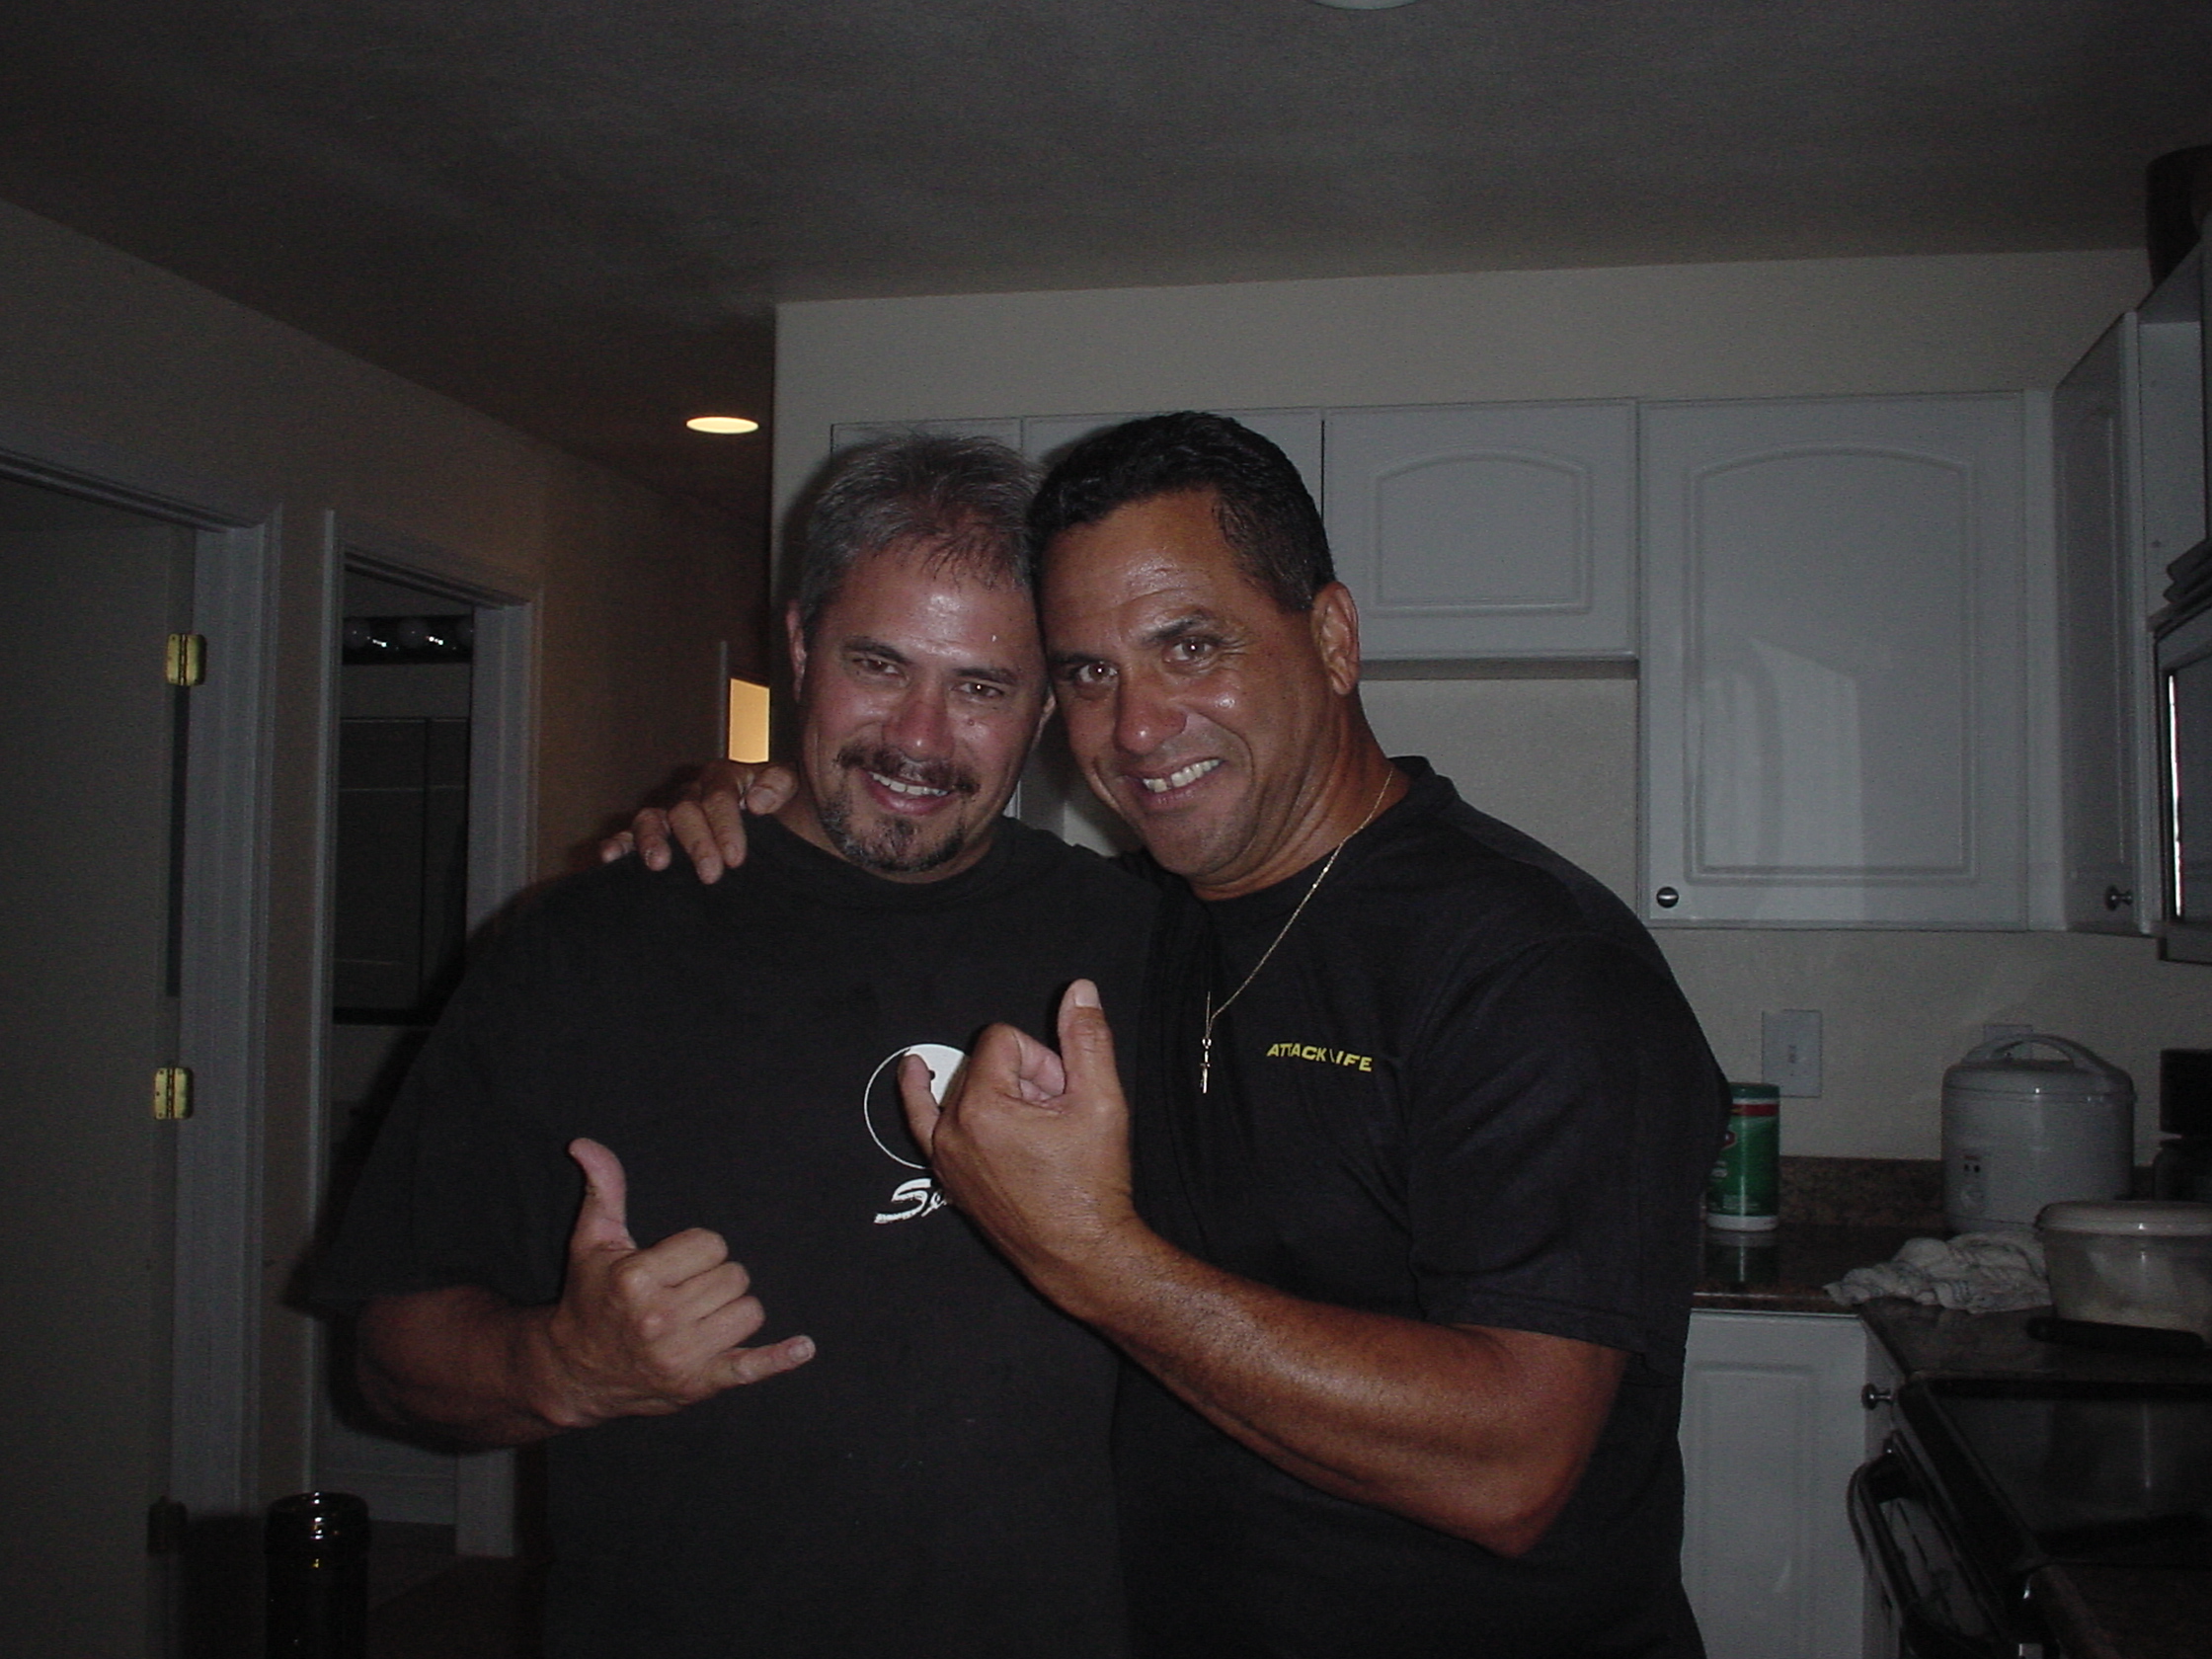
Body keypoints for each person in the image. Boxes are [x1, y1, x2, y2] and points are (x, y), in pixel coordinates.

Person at [637, 412, 1728, 1658]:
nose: (1136, 727)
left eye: (1190, 647)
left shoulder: (1529, 965)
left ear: (1331, 638)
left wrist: (1093, 1260)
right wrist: (745, 806)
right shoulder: (1135, 924)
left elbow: (1514, 1467)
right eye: (1087, 673)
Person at [314, 434, 1153, 1659]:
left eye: (981, 687)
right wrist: (564, 1363)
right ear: (801, 645)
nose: (919, 737)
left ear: (1043, 706)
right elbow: (390, 1355)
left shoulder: (1135, 944)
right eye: (878, 664)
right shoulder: (587, 947)